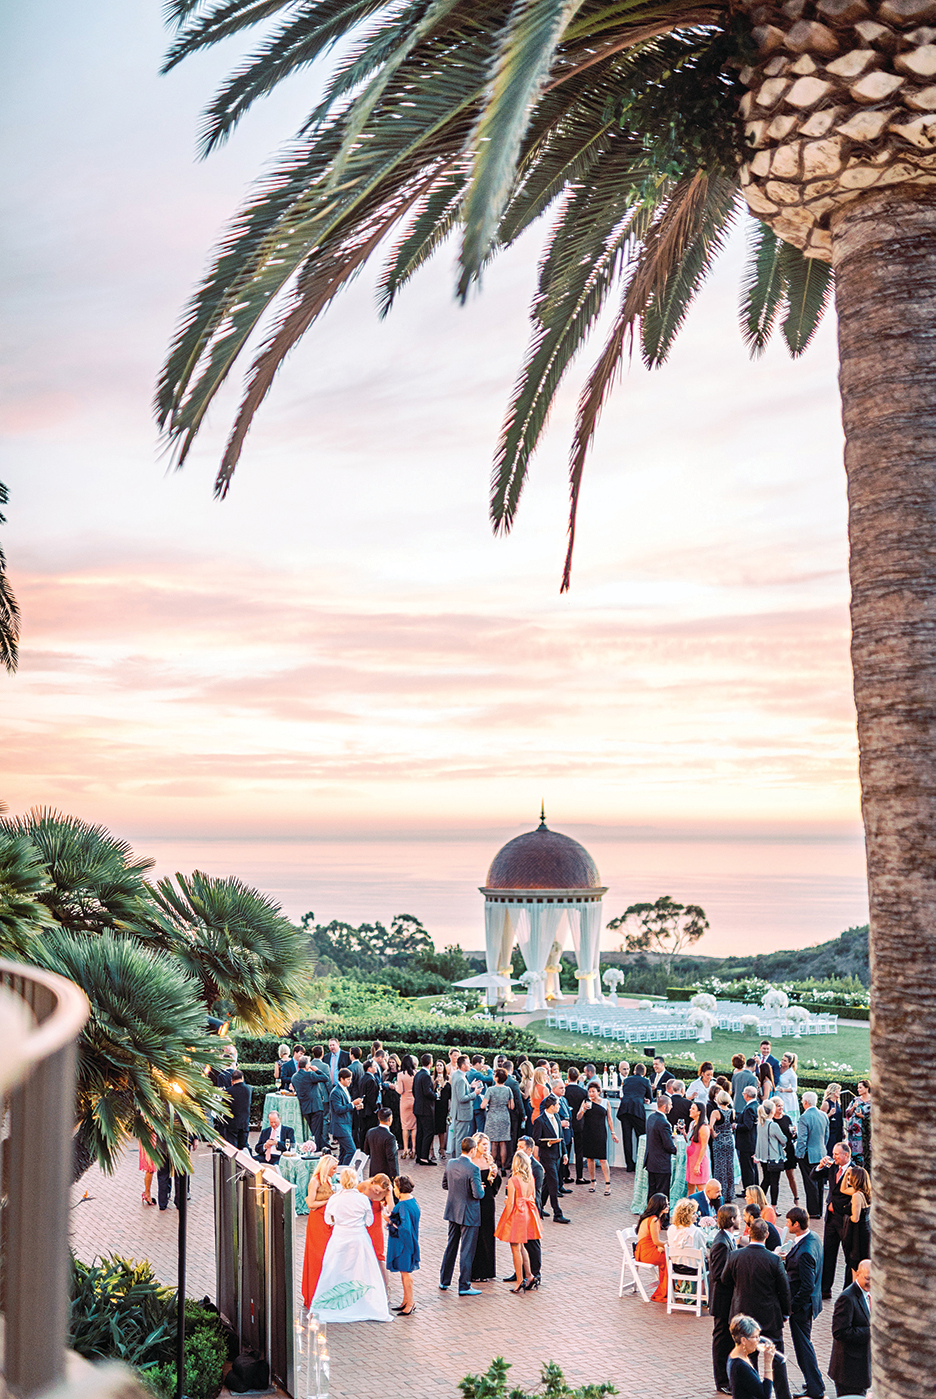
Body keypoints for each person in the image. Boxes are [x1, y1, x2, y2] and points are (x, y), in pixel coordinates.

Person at [721, 1218, 793, 1399]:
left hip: (743, 1312)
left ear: (749, 1233)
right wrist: (785, 1312)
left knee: (748, 1358)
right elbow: (784, 1290)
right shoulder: (774, 1259)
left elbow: (724, 1280)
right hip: (770, 1316)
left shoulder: (735, 1256)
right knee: (776, 1357)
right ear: (767, 1235)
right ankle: (783, 1395)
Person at [312, 1167, 392, 1322]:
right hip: (358, 1238)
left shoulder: (334, 1199)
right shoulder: (362, 1199)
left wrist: (339, 1222)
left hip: (339, 1237)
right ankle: (364, 1302)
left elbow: (328, 1219)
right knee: (363, 1270)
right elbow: (369, 1221)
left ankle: (332, 1303)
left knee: (333, 1269)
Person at [783, 1207, 824, 1399]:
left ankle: (815, 1387)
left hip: (802, 1307)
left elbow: (807, 1285)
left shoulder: (805, 1252)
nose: (786, 1225)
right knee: (805, 1345)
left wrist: (792, 1307)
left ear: (797, 1224)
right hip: (809, 1304)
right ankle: (814, 1383)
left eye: (788, 1222)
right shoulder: (813, 1237)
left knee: (803, 1348)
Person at [439, 1135, 484, 1295]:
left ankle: (444, 1280)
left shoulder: (451, 1163)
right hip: (469, 1213)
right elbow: (478, 1194)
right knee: (466, 1250)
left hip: (453, 1210)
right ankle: (464, 1285)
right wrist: (482, 1188)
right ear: (472, 1150)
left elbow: (445, 1185)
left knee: (451, 1245)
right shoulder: (473, 1168)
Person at [494, 1149, 543, 1293]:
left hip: (517, 1214)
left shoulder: (513, 1180)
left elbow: (510, 1203)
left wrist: (506, 1218)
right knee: (522, 1247)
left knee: (515, 1248)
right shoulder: (530, 1178)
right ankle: (529, 1275)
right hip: (528, 1212)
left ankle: (520, 1280)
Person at [813, 1140, 853, 1297]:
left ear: (846, 1155)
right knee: (828, 1253)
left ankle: (847, 1292)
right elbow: (814, 1176)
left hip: (845, 1219)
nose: (833, 1156)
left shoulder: (854, 1170)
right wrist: (820, 1166)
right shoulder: (833, 1167)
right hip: (831, 1218)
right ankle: (825, 1289)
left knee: (849, 1255)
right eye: (833, 1154)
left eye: (837, 1154)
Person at [829, 1258, 871, 1397]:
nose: (871, 1283)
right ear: (857, 1274)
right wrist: (871, 1332)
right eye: (867, 1278)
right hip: (849, 1373)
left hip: (861, 1369)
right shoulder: (847, 1298)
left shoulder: (869, 1294)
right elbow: (840, 1332)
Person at [709, 1203, 740, 1392]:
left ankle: (728, 1378)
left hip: (728, 1299)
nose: (740, 1219)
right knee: (721, 1340)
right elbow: (719, 1274)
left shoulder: (728, 1238)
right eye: (738, 1216)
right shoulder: (721, 1243)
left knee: (727, 1339)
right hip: (722, 1299)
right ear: (732, 1219)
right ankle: (722, 1381)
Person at [301, 1154, 338, 1307]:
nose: (335, 1171)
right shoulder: (315, 1181)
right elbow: (310, 1203)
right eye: (333, 1168)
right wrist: (329, 1201)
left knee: (328, 1256)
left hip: (328, 1220)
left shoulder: (328, 1180)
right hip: (317, 1220)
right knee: (317, 1256)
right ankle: (314, 1293)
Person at [533, 1094, 571, 1220]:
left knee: (547, 1183)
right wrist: (548, 1143)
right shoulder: (540, 1121)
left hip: (557, 1155)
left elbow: (561, 1137)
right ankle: (557, 1213)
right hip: (547, 1156)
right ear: (552, 1106)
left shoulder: (556, 1117)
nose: (559, 1107)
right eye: (558, 1105)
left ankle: (539, 1207)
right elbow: (536, 1140)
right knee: (554, 1183)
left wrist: (564, 1153)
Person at [386, 1175, 420, 1316]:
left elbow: (404, 1228)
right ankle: (405, 1300)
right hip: (411, 1241)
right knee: (404, 1272)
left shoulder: (402, 1205)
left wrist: (388, 1221)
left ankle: (410, 1303)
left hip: (403, 1244)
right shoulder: (412, 1201)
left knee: (406, 1273)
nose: (394, 1190)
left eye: (395, 1187)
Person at [470, 1133, 502, 1281]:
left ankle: (488, 1271)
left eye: (487, 1144)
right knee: (475, 1236)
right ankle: (475, 1272)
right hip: (475, 1202)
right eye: (483, 1144)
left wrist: (495, 1176)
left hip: (488, 1201)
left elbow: (495, 1184)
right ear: (476, 1145)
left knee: (488, 1235)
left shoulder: (489, 1160)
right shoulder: (470, 1161)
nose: (485, 1147)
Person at [576, 1081, 617, 1195]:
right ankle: (593, 1182)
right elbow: (578, 1117)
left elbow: (609, 1119)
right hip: (588, 1132)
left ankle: (607, 1184)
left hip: (600, 1132)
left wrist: (613, 1133)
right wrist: (583, 1109)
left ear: (599, 1092)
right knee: (590, 1158)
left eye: (593, 1091)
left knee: (602, 1159)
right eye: (589, 1091)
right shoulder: (586, 1102)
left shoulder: (605, 1102)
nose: (591, 1094)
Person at [727, 1313, 778, 1398]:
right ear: (743, 1340)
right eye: (755, 1337)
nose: (758, 1340)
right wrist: (768, 1363)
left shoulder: (737, 1355)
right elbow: (765, 1395)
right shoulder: (740, 1366)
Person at [795, 1092, 830, 1218]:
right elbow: (826, 1135)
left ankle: (813, 1211)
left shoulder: (804, 1117)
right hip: (821, 1152)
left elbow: (802, 1139)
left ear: (805, 1102)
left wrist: (799, 1154)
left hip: (808, 1154)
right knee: (819, 1183)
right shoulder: (823, 1115)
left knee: (810, 1183)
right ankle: (819, 1210)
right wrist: (822, 1148)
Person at [360, 1173, 392, 1295]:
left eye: (380, 1192)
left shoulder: (386, 1192)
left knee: (379, 1255)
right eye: (376, 1190)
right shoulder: (364, 1186)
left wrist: (389, 1195)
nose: (377, 1193)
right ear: (372, 1183)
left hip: (376, 1225)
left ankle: (385, 1289)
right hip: (363, 1224)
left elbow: (391, 1210)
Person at [634, 1191, 670, 1303]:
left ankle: (668, 1289)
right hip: (645, 1252)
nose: (668, 1206)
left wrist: (661, 1246)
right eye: (665, 1204)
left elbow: (655, 1242)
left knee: (668, 1256)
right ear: (658, 1205)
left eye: (668, 1204)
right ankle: (665, 1291)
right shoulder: (654, 1220)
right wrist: (668, 1243)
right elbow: (656, 1241)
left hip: (647, 1249)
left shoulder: (654, 1218)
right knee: (669, 1258)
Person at [616, 1062, 651, 1172]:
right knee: (641, 1137)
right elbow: (650, 1097)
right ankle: (640, 1164)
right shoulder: (645, 1081)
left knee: (627, 1138)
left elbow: (625, 1093)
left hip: (624, 1109)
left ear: (634, 1071)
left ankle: (629, 1165)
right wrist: (644, 1099)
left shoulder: (626, 1080)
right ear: (644, 1073)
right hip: (637, 1110)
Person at [754, 1100, 787, 1207]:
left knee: (766, 1180)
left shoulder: (760, 1124)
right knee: (774, 1183)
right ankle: (773, 1206)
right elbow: (783, 1139)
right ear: (772, 1111)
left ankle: (758, 1202)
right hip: (774, 1157)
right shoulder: (773, 1125)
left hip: (763, 1157)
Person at [768, 1095, 799, 1208]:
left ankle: (796, 1199)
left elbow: (792, 1135)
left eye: (781, 1105)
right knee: (774, 1179)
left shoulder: (787, 1118)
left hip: (788, 1150)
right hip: (776, 1152)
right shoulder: (770, 1120)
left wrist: (794, 1133)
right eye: (778, 1106)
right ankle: (773, 1205)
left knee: (791, 1176)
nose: (781, 1108)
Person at [481, 1067, 515, 1169]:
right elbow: (511, 1106)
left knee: (494, 1143)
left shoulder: (490, 1090)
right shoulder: (508, 1090)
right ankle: (503, 1167)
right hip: (504, 1116)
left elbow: (483, 1105)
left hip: (492, 1116)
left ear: (496, 1078)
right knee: (503, 1142)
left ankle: (493, 1165)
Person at [645, 1094, 677, 1200]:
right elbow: (668, 1146)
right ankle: (661, 1212)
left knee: (652, 1192)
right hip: (661, 1164)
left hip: (651, 1162)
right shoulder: (664, 1123)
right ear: (664, 1106)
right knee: (662, 1194)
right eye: (670, 1104)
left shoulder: (651, 1117)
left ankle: (650, 1210)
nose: (672, 1107)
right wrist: (676, 1149)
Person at [841, 1165, 871, 1275]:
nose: (849, 1178)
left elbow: (855, 1218)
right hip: (866, 1229)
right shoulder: (867, 1192)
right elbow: (843, 1189)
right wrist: (846, 1174)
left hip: (858, 1233)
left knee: (855, 1264)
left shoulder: (857, 1196)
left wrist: (846, 1217)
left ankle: (856, 1283)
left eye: (850, 1177)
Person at [667, 1197, 706, 1282]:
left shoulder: (671, 1229)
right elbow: (703, 1252)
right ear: (686, 1216)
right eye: (694, 1213)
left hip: (676, 1266)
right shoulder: (696, 1232)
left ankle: (680, 1286)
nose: (697, 1215)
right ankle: (703, 1288)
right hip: (694, 1268)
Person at [329, 1069, 360, 1166]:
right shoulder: (336, 1092)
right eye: (348, 1079)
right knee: (351, 1150)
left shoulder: (344, 1089)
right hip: (340, 1126)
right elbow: (338, 1109)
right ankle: (344, 1170)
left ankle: (339, 1170)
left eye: (351, 1079)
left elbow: (346, 1106)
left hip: (346, 1124)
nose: (350, 1081)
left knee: (343, 1152)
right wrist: (352, 1104)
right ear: (341, 1079)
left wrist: (355, 1106)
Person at [563, 1065, 589, 1183]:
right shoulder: (583, 1092)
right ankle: (579, 1176)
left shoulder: (564, 1091)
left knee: (566, 1150)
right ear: (578, 1077)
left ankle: (566, 1175)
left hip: (567, 1123)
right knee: (579, 1151)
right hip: (579, 1123)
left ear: (568, 1077)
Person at [710, 1090, 735, 1200]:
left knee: (719, 1167)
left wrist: (714, 1135)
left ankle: (720, 1193)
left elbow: (711, 1126)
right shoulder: (732, 1111)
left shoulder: (716, 1112)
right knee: (729, 1166)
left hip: (719, 1140)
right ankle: (729, 1193)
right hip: (729, 1140)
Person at [413, 1053, 437, 1165]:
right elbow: (427, 1092)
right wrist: (436, 1095)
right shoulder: (426, 1076)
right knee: (428, 1132)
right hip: (426, 1108)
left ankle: (419, 1156)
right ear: (430, 1063)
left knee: (420, 1132)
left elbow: (414, 1091)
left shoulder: (418, 1074)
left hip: (418, 1107)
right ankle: (424, 1157)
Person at [447, 1056, 474, 1157]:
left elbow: (459, 1090)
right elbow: (462, 1098)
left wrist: (470, 1086)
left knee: (456, 1137)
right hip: (462, 1113)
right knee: (460, 1138)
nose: (470, 1065)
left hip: (457, 1111)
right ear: (463, 1066)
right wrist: (474, 1093)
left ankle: (454, 1158)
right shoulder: (461, 1078)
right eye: (468, 1063)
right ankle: (459, 1159)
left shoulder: (456, 1074)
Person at [365, 1107, 399, 1181]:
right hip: (386, 1174)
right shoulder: (390, 1137)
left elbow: (366, 1151)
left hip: (373, 1171)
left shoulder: (370, 1132)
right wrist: (395, 1176)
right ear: (389, 1119)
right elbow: (391, 1158)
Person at [737, 1086, 760, 1192]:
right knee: (752, 1167)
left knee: (747, 1168)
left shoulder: (749, 1108)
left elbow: (747, 1126)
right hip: (753, 1141)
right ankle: (754, 1188)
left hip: (746, 1142)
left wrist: (736, 1126)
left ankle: (748, 1190)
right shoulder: (757, 1105)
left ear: (746, 1095)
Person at [394, 1053, 417, 1159]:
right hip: (414, 1100)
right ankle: (414, 1149)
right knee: (414, 1126)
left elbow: (400, 1090)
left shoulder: (400, 1075)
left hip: (404, 1101)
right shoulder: (415, 1073)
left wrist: (395, 1086)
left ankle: (405, 1149)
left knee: (405, 1127)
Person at [686, 1100, 712, 1189]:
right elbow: (690, 1140)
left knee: (701, 1188)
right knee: (690, 1187)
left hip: (699, 1160)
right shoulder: (692, 1124)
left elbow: (704, 1147)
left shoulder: (704, 1128)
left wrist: (698, 1164)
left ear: (699, 1112)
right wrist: (683, 1133)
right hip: (691, 1160)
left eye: (693, 1109)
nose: (690, 1110)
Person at [844, 1080, 871, 1166]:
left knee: (868, 1154)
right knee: (856, 1156)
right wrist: (853, 1107)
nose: (858, 1089)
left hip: (869, 1132)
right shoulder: (855, 1100)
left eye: (860, 1087)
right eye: (858, 1088)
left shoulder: (873, 1101)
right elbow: (847, 1114)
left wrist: (862, 1116)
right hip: (856, 1134)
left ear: (867, 1088)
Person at [226, 1070, 252, 1151]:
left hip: (232, 1123)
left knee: (232, 1148)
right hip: (244, 1122)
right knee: (243, 1147)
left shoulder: (228, 1091)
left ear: (232, 1080)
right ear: (242, 1078)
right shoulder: (248, 1089)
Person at [432, 1060, 451, 1162]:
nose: (439, 1067)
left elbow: (450, 1093)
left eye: (441, 1065)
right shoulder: (432, 1078)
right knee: (432, 1128)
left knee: (442, 1128)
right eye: (437, 1065)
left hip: (444, 1106)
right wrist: (435, 1082)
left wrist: (450, 1106)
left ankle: (442, 1148)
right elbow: (429, 1090)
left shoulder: (448, 1078)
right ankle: (431, 1150)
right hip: (434, 1105)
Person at [819, 1082, 844, 1152]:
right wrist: (829, 1114)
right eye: (838, 1091)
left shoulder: (837, 1103)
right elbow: (820, 1119)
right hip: (830, 1130)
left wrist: (842, 1130)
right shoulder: (826, 1103)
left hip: (838, 1130)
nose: (840, 1093)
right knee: (830, 1149)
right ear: (833, 1091)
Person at [776, 1054, 799, 1123]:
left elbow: (794, 1088)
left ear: (789, 1062)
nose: (782, 1062)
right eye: (782, 1059)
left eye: (785, 1061)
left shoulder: (792, 1074)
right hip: (776, 1093)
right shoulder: (778, 1067)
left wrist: (784, 1090)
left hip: (786, 1097)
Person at [139, 1136, 157, 1206]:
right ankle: (147, 1194)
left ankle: (147, 1193)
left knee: (150, 1169)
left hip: (150, 1139)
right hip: (149, 1139)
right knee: (150, 1168)